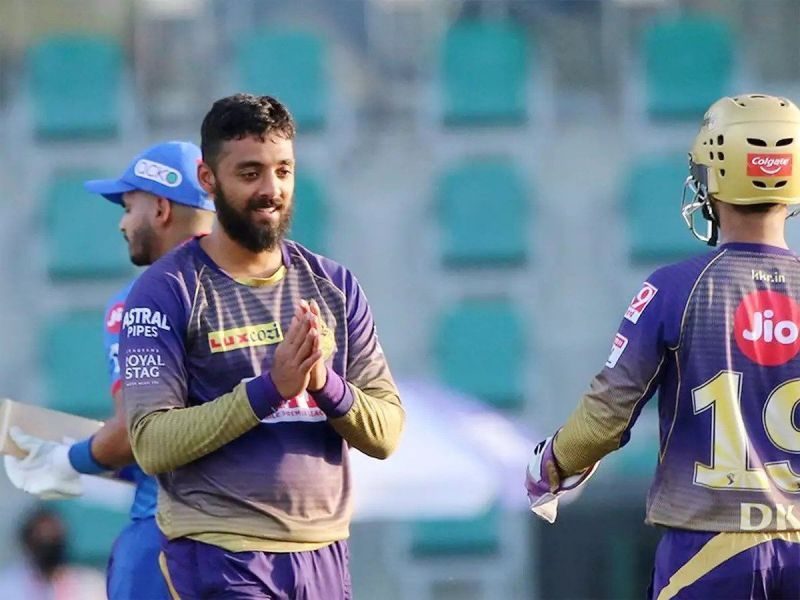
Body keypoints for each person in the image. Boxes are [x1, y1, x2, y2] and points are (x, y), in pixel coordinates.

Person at [118, 93, 405, 599]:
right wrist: (269, 390)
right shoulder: (166, 291)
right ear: (208, 179)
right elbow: (152, 443)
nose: (271, 189)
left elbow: (385, 433)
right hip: (221, 553)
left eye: (283, 170)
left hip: (325, 553)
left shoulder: (333, 285)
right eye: (250, 173)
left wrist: (325, 386)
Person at [526, 94, 800, 599]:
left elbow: (605, 419)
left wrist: (551, 465)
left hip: (708, 548)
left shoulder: (675, 288)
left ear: (712, 176)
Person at [4, 141, 215, 600]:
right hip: (265, 544)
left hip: (167, 540)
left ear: (160, 207)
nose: (122, 222)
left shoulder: (136, 301)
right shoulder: (260, 288)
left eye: (128, 205)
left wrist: (66, 459)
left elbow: (136, 433)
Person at [0, 506, 106, 600]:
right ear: (28, 543)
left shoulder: (90, 584)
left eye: (53, 538)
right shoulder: (8, 585)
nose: (48, 543)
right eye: (41, 538)